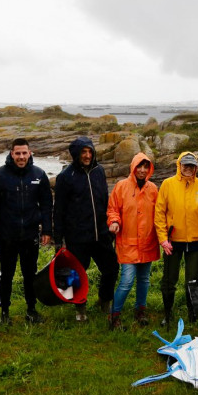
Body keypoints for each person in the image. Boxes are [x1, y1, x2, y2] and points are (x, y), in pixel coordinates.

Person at [0, 138, 52, 325]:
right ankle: (4, 312)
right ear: (11, 154)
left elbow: (47, 204)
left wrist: (47, 229)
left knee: (30, 273)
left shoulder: (39, 174)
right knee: (5, 274)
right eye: (18, 153)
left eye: (24, 153)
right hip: (7, 235)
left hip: (30, 234)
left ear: (30, 153)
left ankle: (31, 310)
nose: (21, 157)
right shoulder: (0, 175)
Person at [54, 136, 119, 322]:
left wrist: (109, 226)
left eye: (90, 151)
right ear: (76, 154)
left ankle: (104, 301)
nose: (88, 155)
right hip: (77, 237)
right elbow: (58, 211)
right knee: (75, 274)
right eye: (83, 152)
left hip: (101, 234)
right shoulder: (65, 177)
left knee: (112, 268)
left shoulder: (99, 171)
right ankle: (80, 308)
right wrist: (58, 240)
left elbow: (106, 202)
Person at [155, 151, 198, 326]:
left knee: (192, 281)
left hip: (195, 241)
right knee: (169, 280)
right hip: (173, 241)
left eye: (192, 165)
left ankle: (192, 313)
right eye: (185, 165)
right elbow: (159, 213)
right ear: (179, 165)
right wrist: (163, 239)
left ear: (196, 168)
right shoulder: (167, 184)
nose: (188, 168)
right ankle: (168, 313)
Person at [106, 153, 159, 330]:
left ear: (149, 168)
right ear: (133, 167)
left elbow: (159, 214)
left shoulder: (153, 189)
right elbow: (113, 209)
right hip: (127, 243)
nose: (142, 170)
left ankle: (140, 311)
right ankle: (114, 315)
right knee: (127, 280)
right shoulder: (121, 186)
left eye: (146, 167)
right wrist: (114, 222)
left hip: (148, 242)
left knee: (144, 280)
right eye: (139, 166)